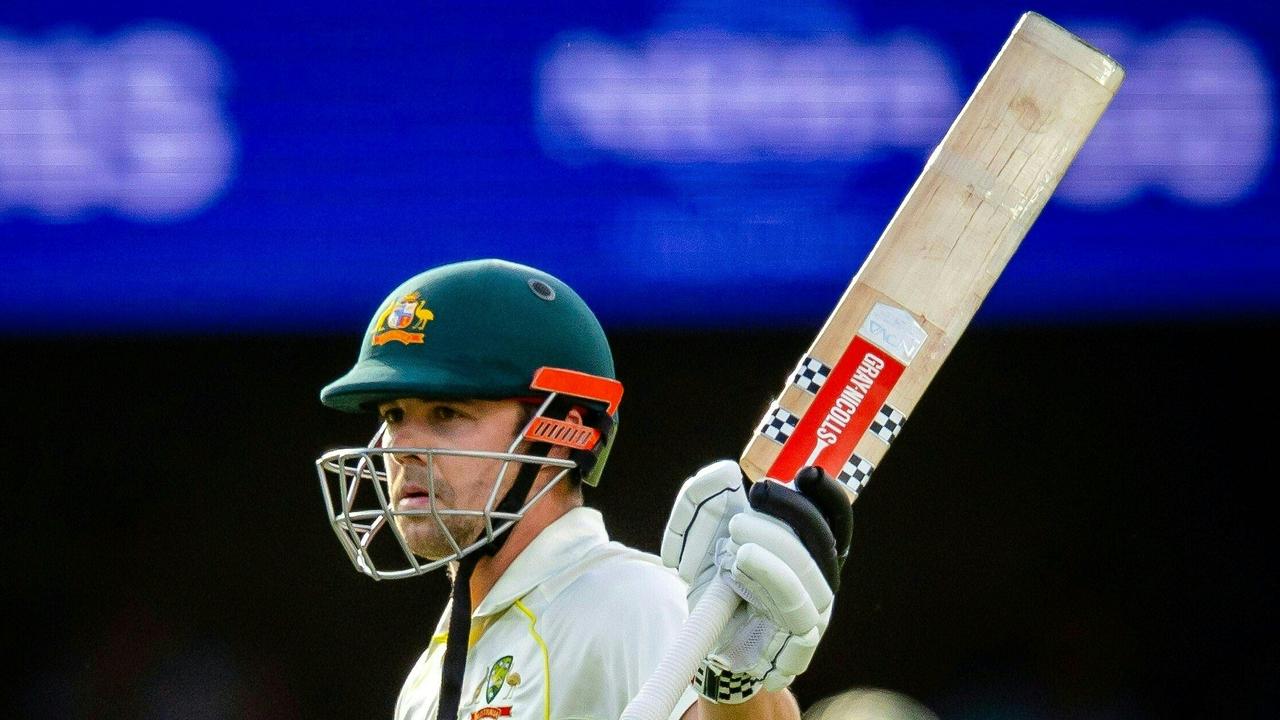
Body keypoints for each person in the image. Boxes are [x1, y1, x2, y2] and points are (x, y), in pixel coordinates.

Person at [315, 258, 852, 720]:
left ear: (560, 432)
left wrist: (736, 681)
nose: (400, 447)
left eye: (446, 413)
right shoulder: (431, 673)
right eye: (392, 414)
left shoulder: (629, 600)